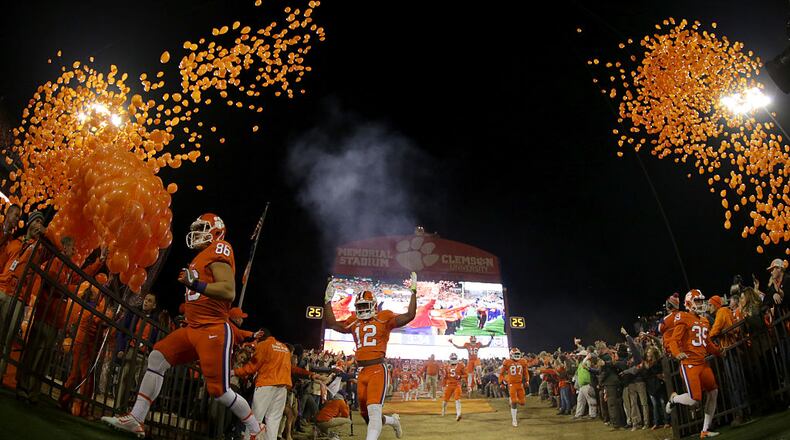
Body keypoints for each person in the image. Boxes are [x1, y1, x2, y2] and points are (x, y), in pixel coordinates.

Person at [102, 213, 264, 439]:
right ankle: (137, 418)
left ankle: (257, 429)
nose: (197, 233)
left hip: (212, 329)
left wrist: (194, 283)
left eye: (202, 228)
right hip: (192, 328)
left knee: (220, 392)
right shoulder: (200, 257)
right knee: (157, 357)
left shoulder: (220, 248)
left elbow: (228, 291)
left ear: (216, 231)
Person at [323, 272, 419, 440]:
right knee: (365, 414)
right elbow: (332, 323)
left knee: (374, 410)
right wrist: (327, 302)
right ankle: (392, 421)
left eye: (365, 305)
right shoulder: (354, 321)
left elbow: (409, 315)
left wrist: (413, 292)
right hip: (362, 371)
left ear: (374, 305)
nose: (362, 309)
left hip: (377, 369)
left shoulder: (384, 317)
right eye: (359, 307)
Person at [665, 289, 723, 439]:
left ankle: (705, 430)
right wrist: (677, 353)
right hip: (689, 363)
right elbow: (673, 340)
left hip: (702, 363)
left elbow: (707, 343)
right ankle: (674, 398)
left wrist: (718, 351)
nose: (701, 304)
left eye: (701, 301)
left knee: (713, 392)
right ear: (689, 302)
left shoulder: (704, 320)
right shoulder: (683, 317)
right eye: (697, 301)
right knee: (694, 399)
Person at [232, 328, 291, 440]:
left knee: (255, 418)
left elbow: (252, 367)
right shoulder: (284, 347)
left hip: (266, 384)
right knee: (273, 420)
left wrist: (234, 372)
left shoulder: (264, 345)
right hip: (283, 386)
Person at [115, 292, 160, 410]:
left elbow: (156, 340)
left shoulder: (156, 321)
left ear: (154, 306)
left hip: (145, 355)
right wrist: (121, 348)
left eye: (150, 301)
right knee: (124, 379)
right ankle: (119, 409)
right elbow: (122, 330)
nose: (146, 302)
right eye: (146, 299)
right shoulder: (133, 312)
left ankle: (135, 412)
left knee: (142, 385)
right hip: (130, 350)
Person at [500, 347, 529, 427]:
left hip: (520, 384)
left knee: (522, 403)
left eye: (517, 354)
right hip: (512, 384)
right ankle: (514, 420)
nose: (516, 355)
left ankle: (512, 400)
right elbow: (501, 373)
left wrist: (527, 381)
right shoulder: (507, 362)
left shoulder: (523, 361)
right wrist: (501, 382)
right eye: (515, 354)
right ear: (511, 355)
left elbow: (526, 373)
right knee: (514, 402)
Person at [441, 353, 466, 421]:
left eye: (454, 359)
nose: (454, 360)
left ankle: (458, 414)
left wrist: (460, 376)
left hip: (457, 384)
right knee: (445, 400)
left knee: (457, 399)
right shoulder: (446, 367)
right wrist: (443, 385)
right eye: (453, 359)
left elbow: (465, 375)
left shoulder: (461, 366)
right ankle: (443, 410)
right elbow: (445, 377)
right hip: (449, 385)